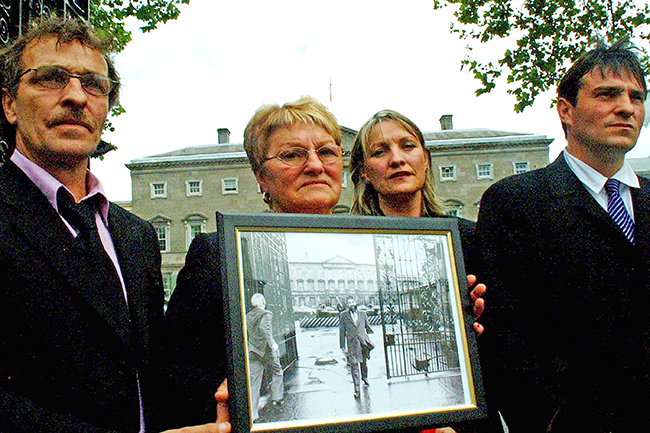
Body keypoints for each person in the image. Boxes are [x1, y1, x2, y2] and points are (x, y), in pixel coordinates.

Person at [0, 14, 225, 433]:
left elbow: (149, 375)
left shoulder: (136, 237)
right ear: (10, 103)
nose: (75, 97)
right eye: (50, 78)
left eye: (93, 84)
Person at [476, 40, 650, 432]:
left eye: (636, 97)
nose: (626, 107)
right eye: (607, 94)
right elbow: (503, 336)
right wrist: (547, 420)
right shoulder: (515, 202)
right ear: (566, 110)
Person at [165, 96, 344, 427]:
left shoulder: (379, 238)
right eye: (293, 155)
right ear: (261, 177)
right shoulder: (217, 252)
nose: (316, 165)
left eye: (328, 152)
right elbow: (178, 373)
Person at [350, 109, 486, 334]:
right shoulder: (355, 246)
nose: (397, 159)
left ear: (425, 160)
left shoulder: (470, 239)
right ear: (364, 172)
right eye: (380, 151)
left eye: (408, 146)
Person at [246, 293, 284, 421]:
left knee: (254, 382)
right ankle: (277, 398)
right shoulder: (266, 314)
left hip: (252, 351)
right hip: (266, 351)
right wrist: (272, 343)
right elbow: (264, 329)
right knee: (277, 370)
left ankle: (253, 414)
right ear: (263, 302)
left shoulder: (248, 316)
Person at [339, 297, 374, 398]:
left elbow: (367, 326)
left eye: (352, 302)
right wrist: (342, 346)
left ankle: (365, 377)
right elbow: (341, 331)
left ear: (356, 303)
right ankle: (357, 389)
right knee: (354, 366)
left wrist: (369, 338)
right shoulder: (343, 315)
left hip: (362, 343)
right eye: (349, 302)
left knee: (364, 362)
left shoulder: (362, 314)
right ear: (347, 304)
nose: (351, 304)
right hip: (352, 344)